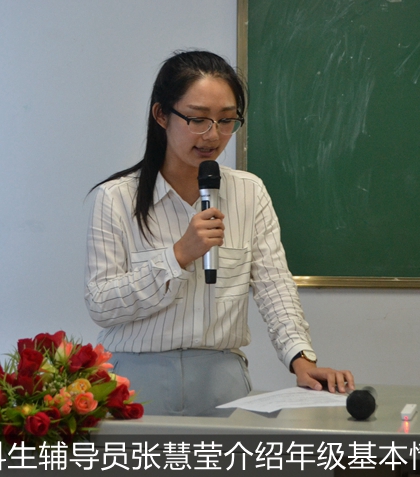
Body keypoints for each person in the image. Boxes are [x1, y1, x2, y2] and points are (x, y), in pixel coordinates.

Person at [84, 50, 353, 416]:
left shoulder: (249, 192)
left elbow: (274, 286)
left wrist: (300, 359)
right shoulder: (116, 198)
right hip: (134, 380)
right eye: (198, 119)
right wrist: (178, 255)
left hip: (220, 376)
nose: (213, 135)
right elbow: (101, 304)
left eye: (226, 121)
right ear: (161, 115)